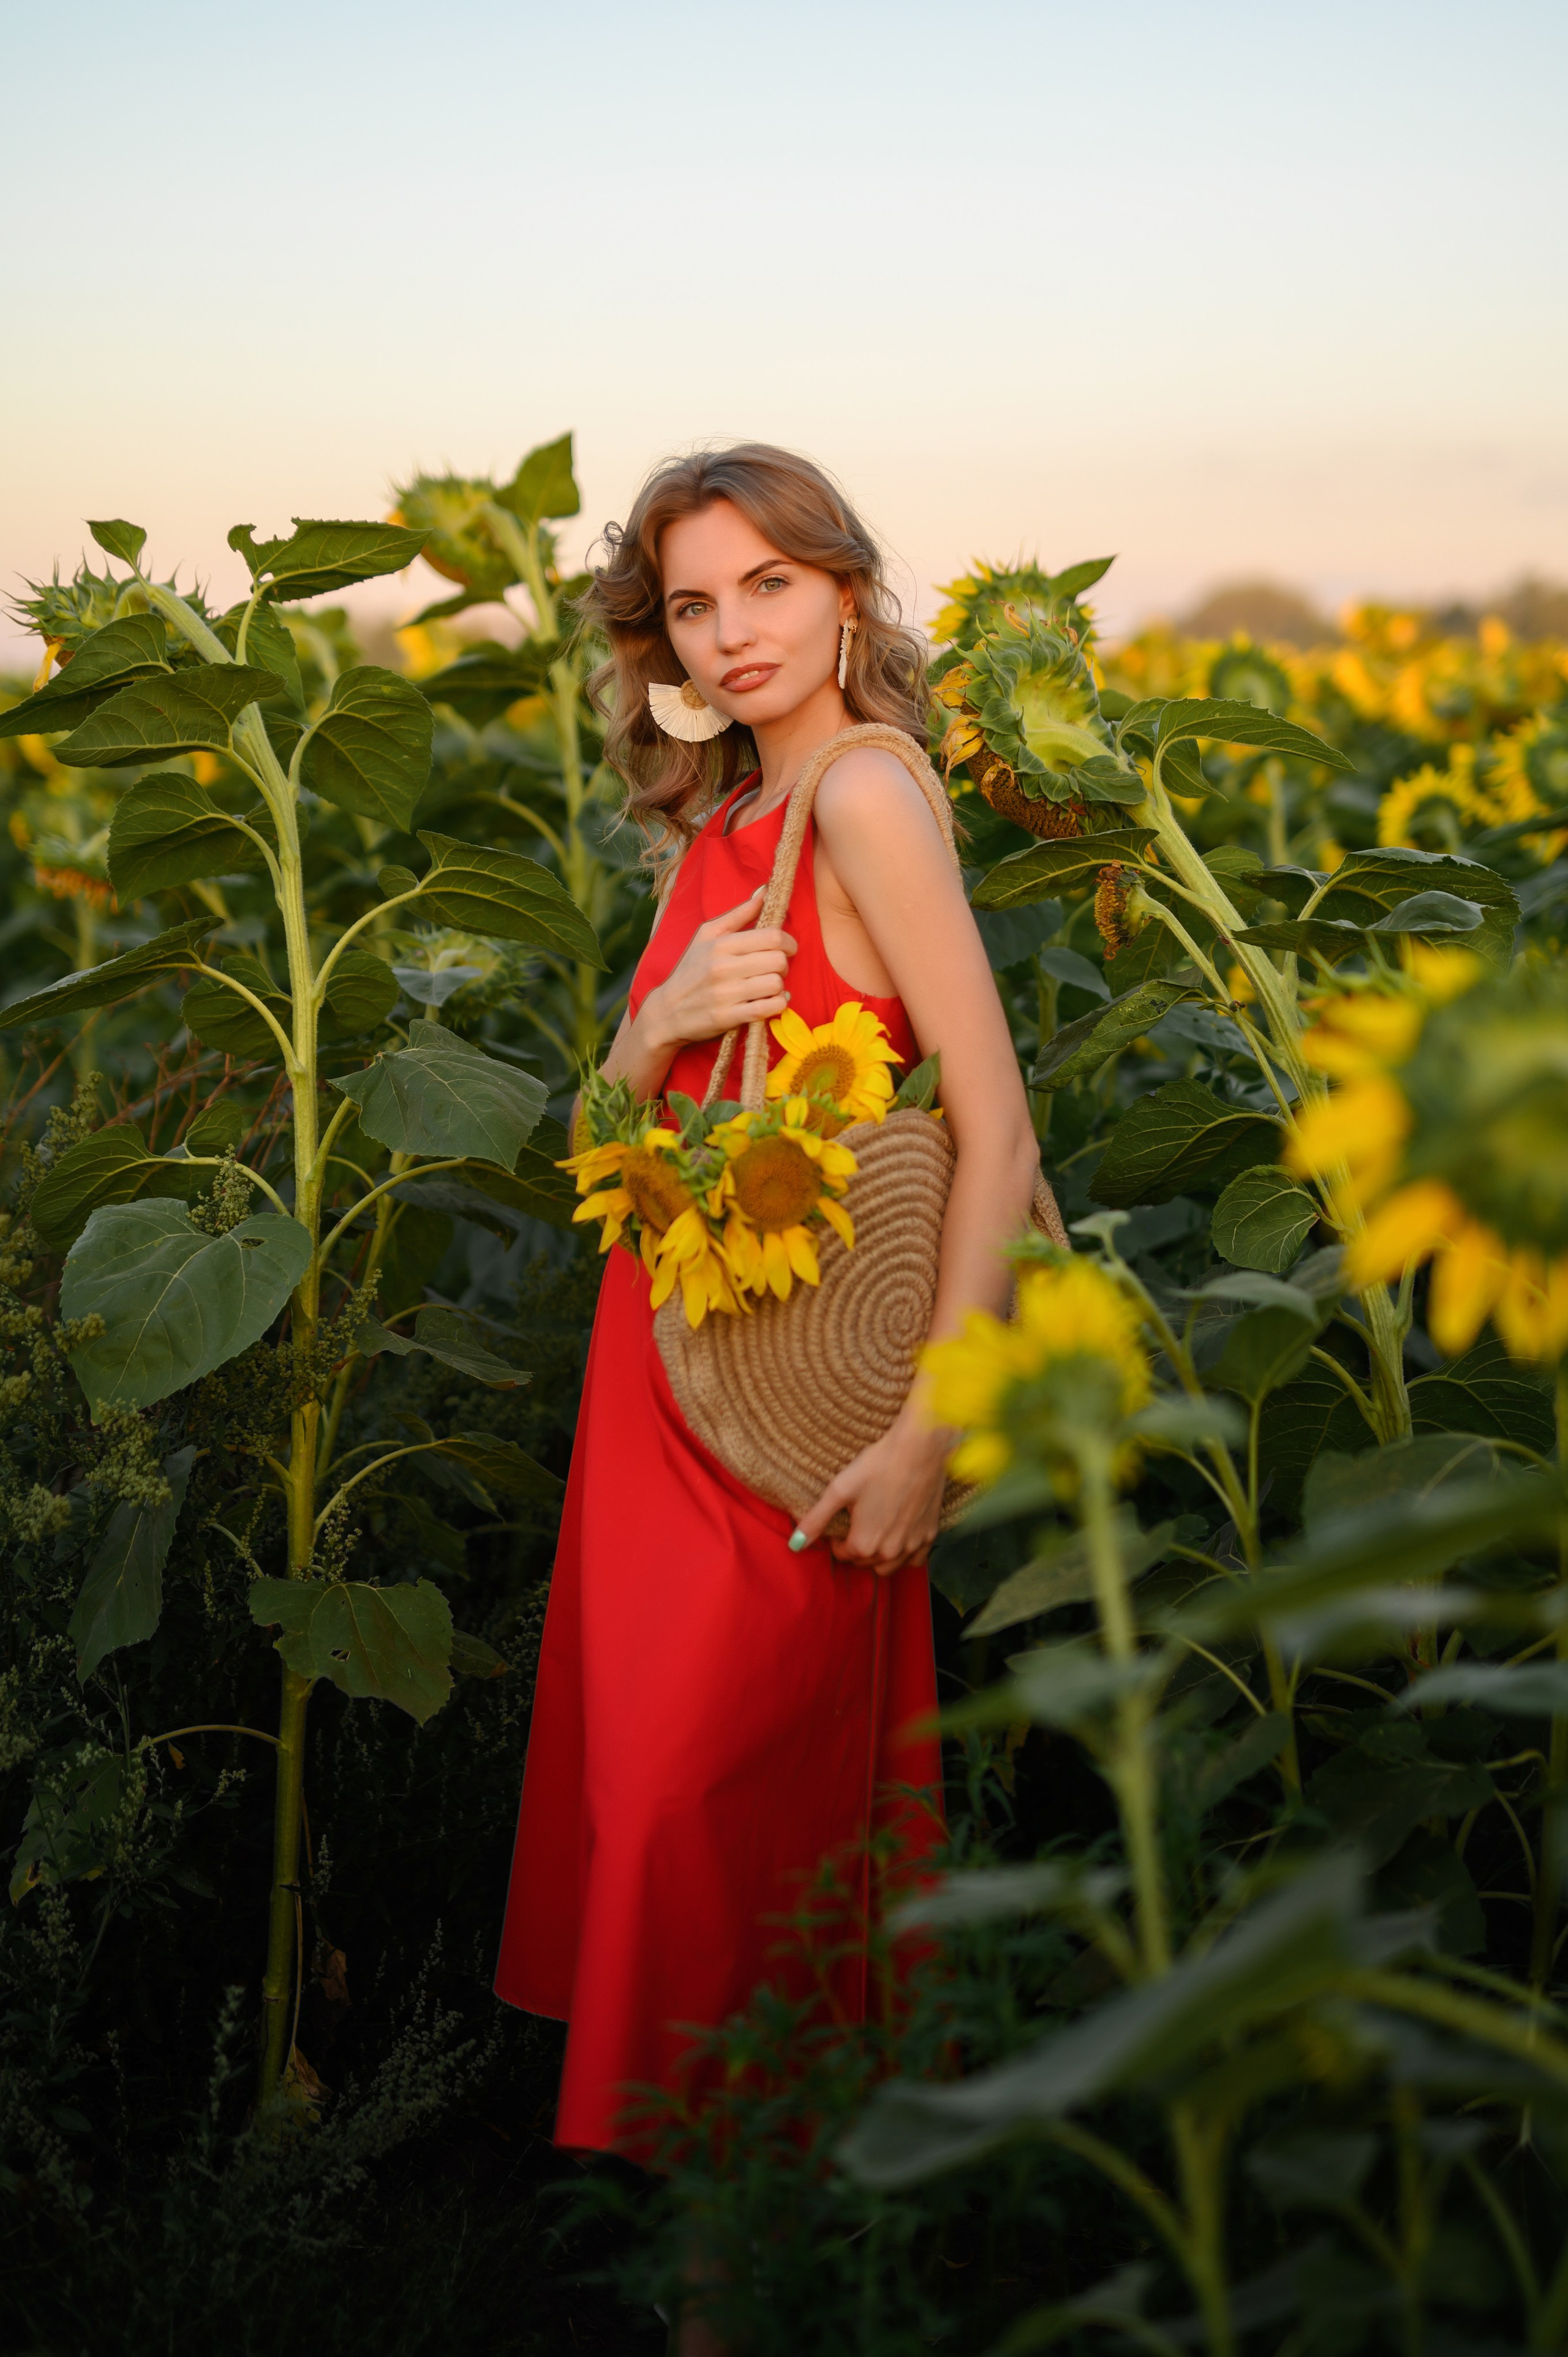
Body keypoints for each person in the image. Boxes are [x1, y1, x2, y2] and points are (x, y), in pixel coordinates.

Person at [493, 443, 1039, 2216]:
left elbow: (999, 1131)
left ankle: (754, 2287)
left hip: (799, 1406)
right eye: (692, 604)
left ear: (846, 591)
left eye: (770, 586)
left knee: (720, 1825)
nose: (732, 633)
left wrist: (935, 1428)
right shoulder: (723, 818)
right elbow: (610, 1146)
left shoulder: (865, 795)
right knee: (685, 1835)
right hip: (666, 1386)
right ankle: (734, 2288)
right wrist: (652, 1030)